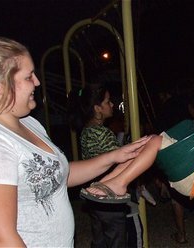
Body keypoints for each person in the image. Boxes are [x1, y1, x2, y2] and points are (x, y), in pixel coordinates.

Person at [0, 34, 150, 247]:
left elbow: (55, 176)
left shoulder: (28, 123)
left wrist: (114, 156)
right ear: (0, 85)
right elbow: (1, 238)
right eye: (29, 76)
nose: (37, 82)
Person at [80, 73, 194, 202]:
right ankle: (107, 181)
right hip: (188, 169)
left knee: (155, 141)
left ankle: (120, 183)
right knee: (146, 143)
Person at [67, 84, 142, 248]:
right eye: (108, 102)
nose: (112, 105)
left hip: (93, 193)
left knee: (100, 240)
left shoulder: (86, 130)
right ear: (97, 108)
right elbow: (120, 163)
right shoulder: (103, 133)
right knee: (117, 240)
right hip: (109, 195)